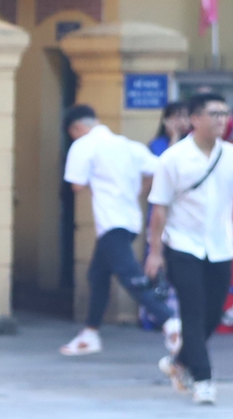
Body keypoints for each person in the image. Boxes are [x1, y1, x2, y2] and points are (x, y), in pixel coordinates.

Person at [144, 92, 233, 405]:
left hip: (221, 245)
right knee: (193, 312)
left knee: (213, 313)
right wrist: (155, 252)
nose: (221, 120)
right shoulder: (174, 158)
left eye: (224, 114)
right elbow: (159, 209)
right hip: (182, 244)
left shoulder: (231, 156)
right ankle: (203, 379)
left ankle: (178, 361)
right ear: (194, 119)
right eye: (214, 114)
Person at [59, 104, 171, 357]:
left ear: (77, 128)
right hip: (130, 220)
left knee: (130, 277)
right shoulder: (129, 146)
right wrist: (139, 189)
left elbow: (75, 184)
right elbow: (158, 169)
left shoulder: (84, 146)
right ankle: (89, 334)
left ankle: (170, 321)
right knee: (97, 275)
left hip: (111, 222)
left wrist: (94, 182)